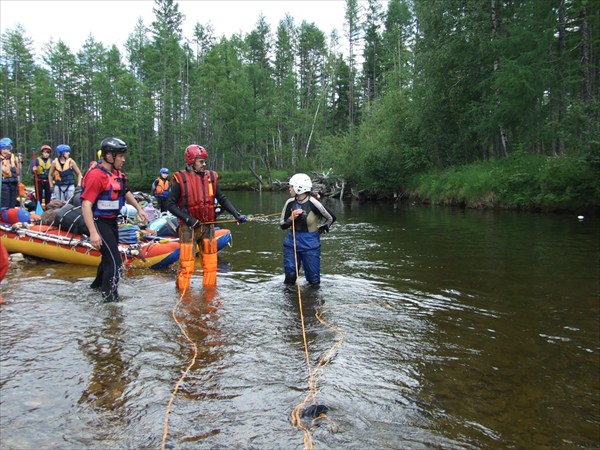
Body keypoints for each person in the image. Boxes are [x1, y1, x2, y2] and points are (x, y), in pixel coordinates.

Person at [167, 144, 246, 290]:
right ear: (191, 161)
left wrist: (236, 214)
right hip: (188, 228)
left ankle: (209, 298)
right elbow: (170, 204)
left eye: (204, 161)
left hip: (207, 227)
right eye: (201, 161)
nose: (204, 164)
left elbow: (221, 198)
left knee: (210, 265)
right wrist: (188, 219)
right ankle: (184, 297)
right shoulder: (180, 179)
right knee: (187, 265)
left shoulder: (211, 177)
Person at [81, 137, 148, 302]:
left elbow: (125, 192)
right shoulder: (96, 176)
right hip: (98, 222)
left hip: (112, 221)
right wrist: (93, 233)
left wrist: (139, 208)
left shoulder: (118, 175)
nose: (123, 160)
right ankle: (110, 300)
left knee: (107, 258)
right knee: (115, 261)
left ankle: (96, 287)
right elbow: (86, 205)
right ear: (109, 156)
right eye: (121, 156)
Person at [280, 173, 336, 285]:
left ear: (299, 188)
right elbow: (282, 225)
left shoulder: (314, 203)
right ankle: (288, 300)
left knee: (313, 279)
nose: (289, 189)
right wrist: (291, 218)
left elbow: (331, 218)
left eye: (291, 186)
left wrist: (323, 228)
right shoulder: (290, 203)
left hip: (310, 243)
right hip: (292, 242)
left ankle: (312, 299)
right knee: (290, 276)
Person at [1, 137, 19, 210]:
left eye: (8, 148)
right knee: (5, 204)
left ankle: (10, 216)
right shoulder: (1, 159)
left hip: (13, 183)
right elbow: (7, 171)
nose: (7, 151)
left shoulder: (14, 158)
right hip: (4, 184)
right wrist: (7, 160)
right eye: (4, 149)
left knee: (12, 204)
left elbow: (17, 172)